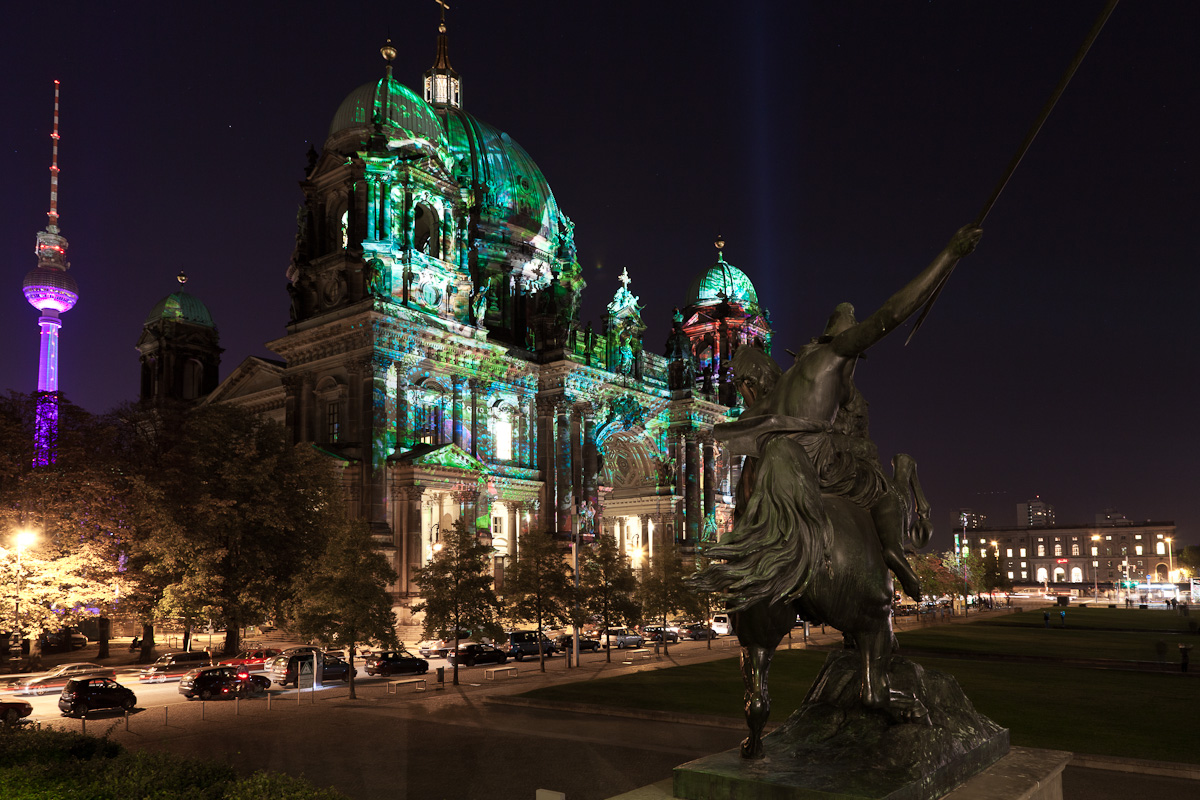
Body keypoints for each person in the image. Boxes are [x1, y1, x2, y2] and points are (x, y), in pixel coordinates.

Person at [718, 224, 983, 602]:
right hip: (818, 464)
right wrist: (950, 254)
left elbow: (741, 428)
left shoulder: (780, 387)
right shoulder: (835, 354)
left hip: (786, 464)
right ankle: (894, 552)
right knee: (886, 489)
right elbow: (891, 314)